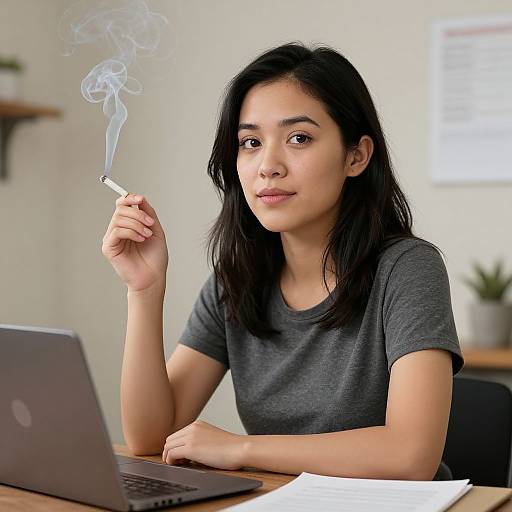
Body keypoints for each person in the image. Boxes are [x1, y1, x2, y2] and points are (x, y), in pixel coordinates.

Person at [102, 42, 463, 480]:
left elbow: (410, 457)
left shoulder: (407, 268)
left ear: (357, 156)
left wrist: (240, 448)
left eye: (299, 138)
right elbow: (147, 437)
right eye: (250, 142)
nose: (267, 165)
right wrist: (144, 290)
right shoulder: (236, 280)